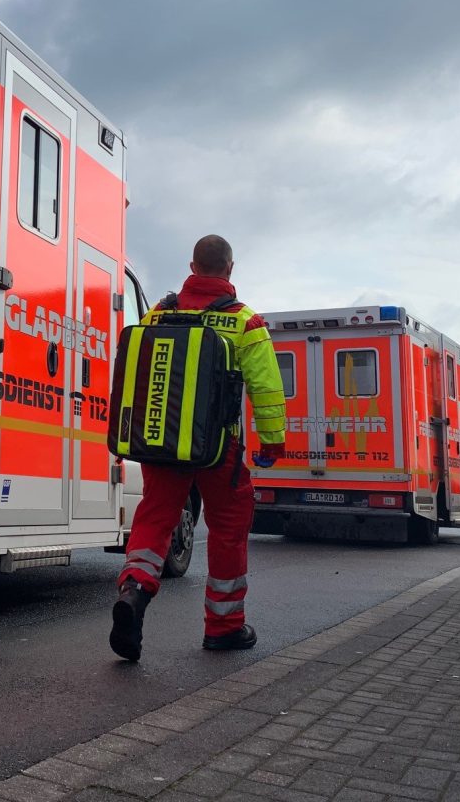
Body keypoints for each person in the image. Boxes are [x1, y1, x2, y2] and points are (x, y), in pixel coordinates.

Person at [110, 235, 286, 661]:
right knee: (227, 529)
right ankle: (223, 628)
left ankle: (134, 588)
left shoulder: (158, 314)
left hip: (162, 443)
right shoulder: (245, 322)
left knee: (154, 517)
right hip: (218, 449)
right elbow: (265, 388)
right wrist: (273, 440)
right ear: (229, 269)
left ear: (192, 266)